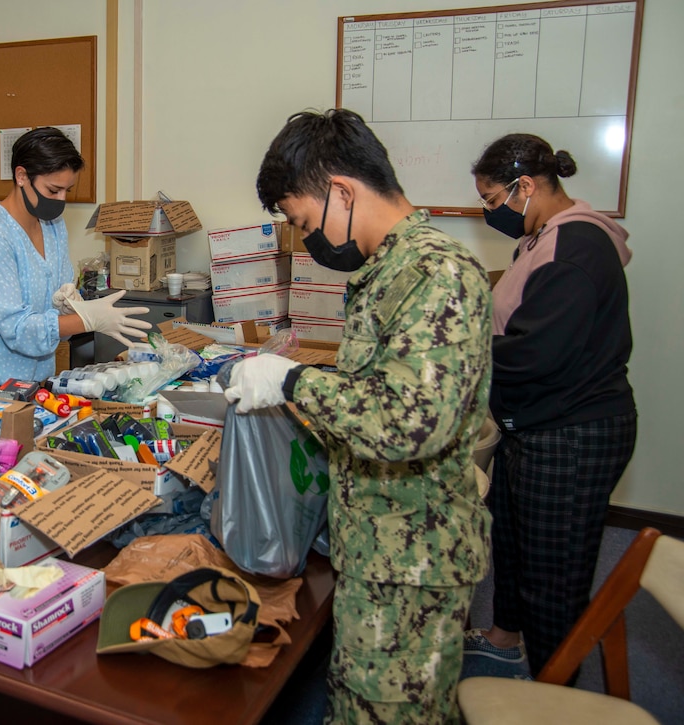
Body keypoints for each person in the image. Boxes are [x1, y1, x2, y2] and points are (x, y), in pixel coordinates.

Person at [225, 108, 493, 723]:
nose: (307, 239)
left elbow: (411, 420)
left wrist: (293, 380)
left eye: (303, 221)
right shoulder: (390, 271)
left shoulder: (435, 272)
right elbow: (374, 393)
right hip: (378, 546)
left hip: (411, 560)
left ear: (341, 192)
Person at [463, 134, 637, 677]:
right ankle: (504, 637)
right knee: (513, 542)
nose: (489, 212)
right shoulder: (541, 239)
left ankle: (554, 685)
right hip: (534, 423)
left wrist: (460, 359)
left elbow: (536, 353)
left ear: (526, 186)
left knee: (552, 574)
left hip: (571, 432)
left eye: (492, 200)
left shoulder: (576, 247)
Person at [0, 126, 151, 407]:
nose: (61, 200)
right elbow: (18, 330)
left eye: (67, 191)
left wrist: (69, 306)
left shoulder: (52, 225)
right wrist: (86, 320)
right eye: (53, 189)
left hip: (29, 386)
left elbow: (55, 316)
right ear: (21, 176)